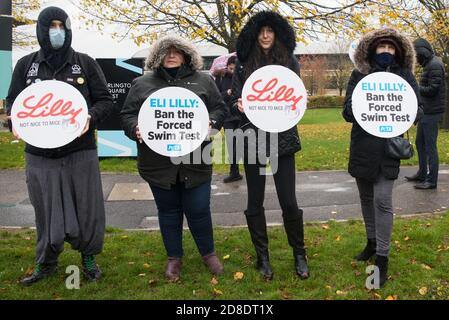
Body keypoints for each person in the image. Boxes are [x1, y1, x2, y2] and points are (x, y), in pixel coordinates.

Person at [6, 7, 113, 286]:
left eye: (61, 25)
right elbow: (12, 104)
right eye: (51, 25)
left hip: (81, 151)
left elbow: (105, 100)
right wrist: (12, 121)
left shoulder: (85, 63)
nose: (57, 31)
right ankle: (46, 261)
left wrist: (91, 116)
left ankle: (88, 258)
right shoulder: (26, 65)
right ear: (42, 29)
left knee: (88, 207)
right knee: (45, 210)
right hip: (40, 155)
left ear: (67, 28)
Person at [120, 35, 228, 281]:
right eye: (165, 51)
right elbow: (126, 115)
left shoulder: (204, 80)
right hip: (158, 163)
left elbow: (220, 108)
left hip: (196, 159)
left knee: (199, 209)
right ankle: (174, 259)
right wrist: (135, 128)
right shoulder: (142, 83)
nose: (171, 55)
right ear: (157, 55)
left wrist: (211, 123)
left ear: (187, 54)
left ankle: (208, 254)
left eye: (177, 50)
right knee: (168, 211)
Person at [230, 11, 309, 280]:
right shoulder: (241, 64)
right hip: (252, 137)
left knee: (289, 200)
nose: (265, 35)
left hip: (282, 138)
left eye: (270, 31)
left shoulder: (290, 63)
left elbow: (297, 99)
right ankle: (262, 257)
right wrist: (237, 104)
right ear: (254, 34)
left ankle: (299, 253)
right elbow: (234, 100)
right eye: (261, 31)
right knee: (255, 199)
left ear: (277, 34)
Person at [343, 28, 422, 287]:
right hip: (363, 147)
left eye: (390, 48)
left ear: (397, 52)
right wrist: (364, 108)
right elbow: (346, 112)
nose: (386, 51)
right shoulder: (359, 76)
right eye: (381, 47)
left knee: (383, 201)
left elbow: (417, 111)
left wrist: (401, 112)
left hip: (389, 149)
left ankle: (382, 259)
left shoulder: (405, 77)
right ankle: (371, 242)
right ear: (372, 49)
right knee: (366, 198)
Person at [405, 38, 446, 190]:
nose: (416, 59)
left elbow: (432, 89)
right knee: (420, 143)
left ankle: (431, 180)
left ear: (422, 52)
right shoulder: (430, 64)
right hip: (426, 111)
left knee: (430, 146)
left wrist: (415, 87)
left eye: (416, 55)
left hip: (432, 112)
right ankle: (422, 173)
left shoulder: (435, 64)